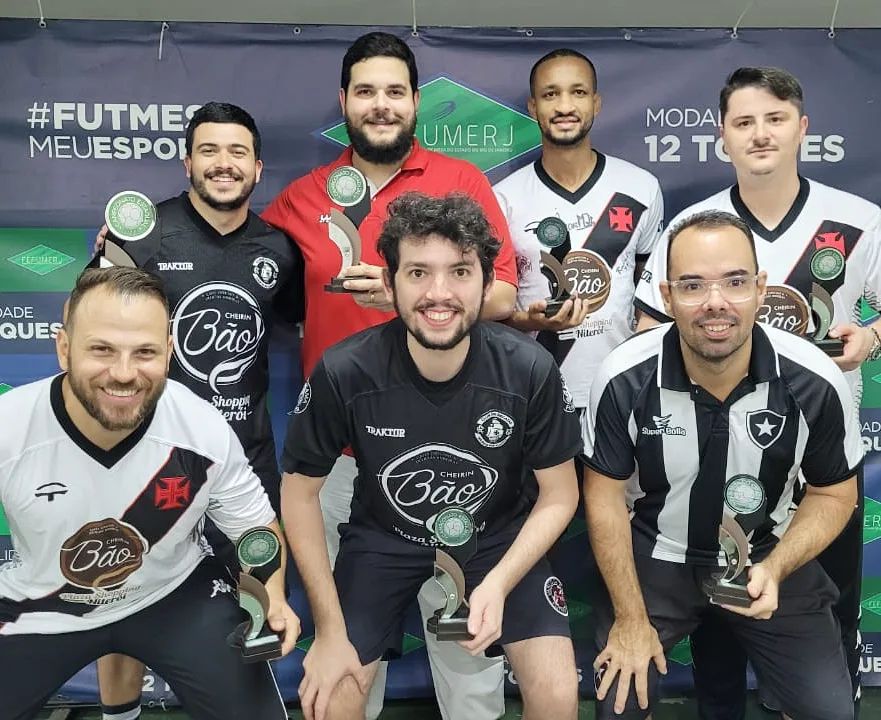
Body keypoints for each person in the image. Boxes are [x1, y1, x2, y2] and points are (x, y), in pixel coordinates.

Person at [262, 32, 518, 720]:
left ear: (415, 102)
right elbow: (238, 261)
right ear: (344, 101)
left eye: (395, 91)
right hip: (342, 456)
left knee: (465, 637)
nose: (381, 105)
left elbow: (503, 294)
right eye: (366, 91)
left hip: (454, 448)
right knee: (348, 644)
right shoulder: (302, 198)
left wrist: (410, 295)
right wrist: (132, 252)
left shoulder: (461, 183)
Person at [633, 67, 881, 719]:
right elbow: (647, 328)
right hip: (718, 455)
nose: (760, 134)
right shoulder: (693, 226)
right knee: (719, 616)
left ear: (802, 128)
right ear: (723, 137)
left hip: (821, 466)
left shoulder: (858, 219)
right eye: (743, 122)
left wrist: (871, 336)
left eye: (774, 119)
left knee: (830, 618)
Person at [280, 192, 582, 720]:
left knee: (557, 694)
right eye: (418, 272)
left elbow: (560, 494)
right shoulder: (345, 370)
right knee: (331, 700)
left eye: (460, 272)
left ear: (486, 284)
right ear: (389, 283)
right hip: (383, 540)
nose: (439, 294)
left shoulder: (528, 368)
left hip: (495, 538)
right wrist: (328, 631)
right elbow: (299, 494)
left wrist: (499, 583)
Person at [584, 210, 862, 720]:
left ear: (760, 288)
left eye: (735, 282)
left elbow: (834, 493)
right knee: (619, 704)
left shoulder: (814, 379)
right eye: (692, 285)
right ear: (667, 297)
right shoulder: (624, 377)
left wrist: (776, 568)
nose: (715, 302)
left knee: (828, 711)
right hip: (658, 554)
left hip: (769, 550)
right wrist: (630, 618)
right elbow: (603, 498)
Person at [0, 266, 299, 720]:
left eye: (145, 352)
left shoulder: (200, 428)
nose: (123, 374)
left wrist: (271, 597)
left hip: (172, 594)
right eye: (101, 349)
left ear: (169, 353)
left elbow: (254, 530)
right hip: (42, 606)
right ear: (63, 348)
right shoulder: (9, 428)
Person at [93, 101, 304, 720]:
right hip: (145, 454)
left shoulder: (278, 248)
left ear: (258, 168)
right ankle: (120, 715)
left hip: (244, 455)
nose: (223, 163)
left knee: (253, 596)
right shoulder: (141, 235)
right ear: (187, 162)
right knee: (121, 596)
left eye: (238, 152)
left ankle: (244, 702)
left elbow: (297, 319)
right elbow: (95, 332)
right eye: (209, 150)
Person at [495, 48, 664, 413]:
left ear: (596, 103)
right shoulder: (503, 198)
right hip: (533, 392)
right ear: (533, 107)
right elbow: (486, 312)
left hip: (619, 393)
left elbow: (652, 300)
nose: (564, 106)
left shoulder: (641, 188)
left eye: (578, 92)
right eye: (550, 94)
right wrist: (529, 321)